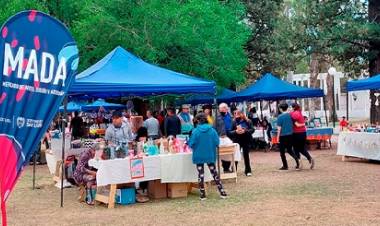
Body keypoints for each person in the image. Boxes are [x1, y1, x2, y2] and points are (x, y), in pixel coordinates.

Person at [188, 113, 227, 200]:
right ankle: (222, 191)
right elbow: (217, 143)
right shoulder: (212, 130)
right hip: (210, 154)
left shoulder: (195, 131)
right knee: (214, 173)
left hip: (198, 155)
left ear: (198, 121)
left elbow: (191, 144)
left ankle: (202, 193)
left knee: (201, 174)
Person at [291, 103, 315, 169]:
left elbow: (297, 125)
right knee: (301, 148)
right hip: (303, 133)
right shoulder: (300, 113)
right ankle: (309, 158)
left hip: (296, 133)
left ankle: (299, 164)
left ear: (293, 107)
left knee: (295, 148)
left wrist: (302, 124)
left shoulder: (293, 114)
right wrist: (304, 124)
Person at [230, 110, 254, 176]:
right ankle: (234, 170)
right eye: (235, 114)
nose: (237, 115)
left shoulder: (248, 121)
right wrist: (236, 131)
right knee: (236, 155)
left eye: (238, 114)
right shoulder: (233, 122)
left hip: (246, 140)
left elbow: (252, 130)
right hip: (237, 140)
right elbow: (230, 132)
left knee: (246, 155)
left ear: (242, 114)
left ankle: (248, 170)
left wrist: (245, 131)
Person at [276, 103, 299, 170]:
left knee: (282, 152)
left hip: (283, 136)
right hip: (291, 135)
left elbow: (279, 129)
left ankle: (285, 166)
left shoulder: (280, 117)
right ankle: (297, 161)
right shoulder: (290, 115)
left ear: (280, 109)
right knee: (290, 150)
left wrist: (277, 138)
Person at [215, 103, 234, 173]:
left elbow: (233, 124)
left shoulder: (230, 116)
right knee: (223, 153)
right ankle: (225, 168)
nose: (221, 110)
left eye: (224, 108)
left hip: (230, 135)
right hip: (222, 137)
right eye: (221, 108)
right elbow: (214, 127)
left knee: (229, 152)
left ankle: (228, 167)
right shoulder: (217, 117)